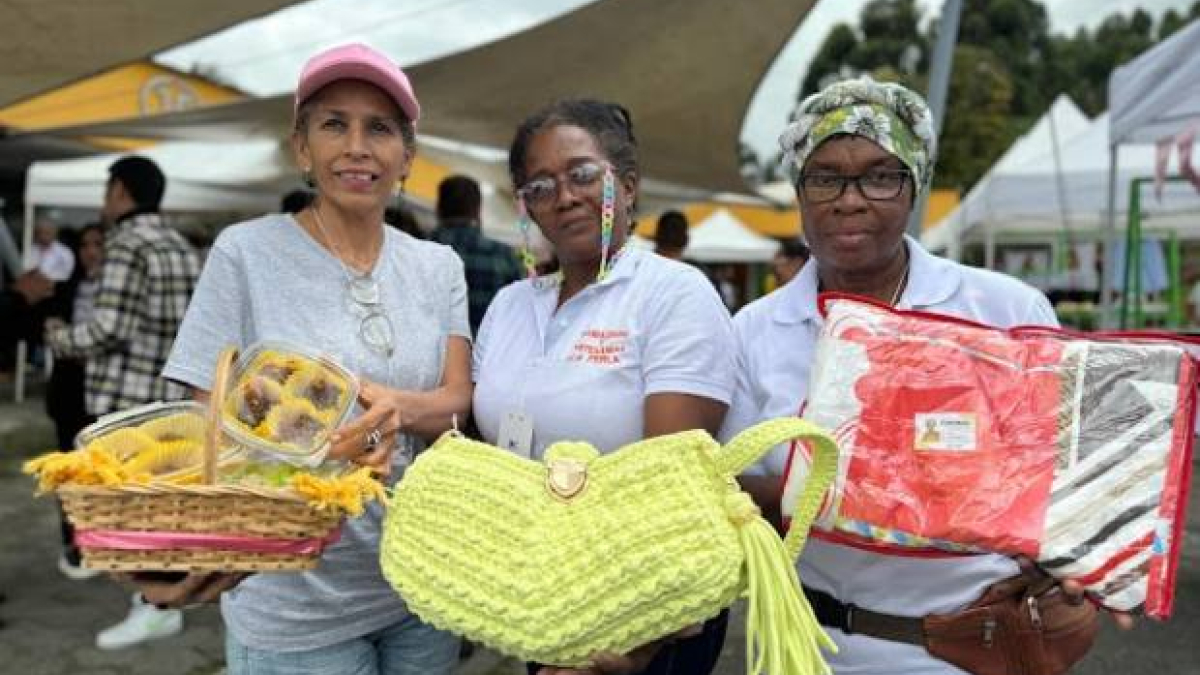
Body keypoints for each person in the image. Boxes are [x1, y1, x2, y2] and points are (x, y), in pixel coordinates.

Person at [721, 77, 1118, 674]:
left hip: (977, 648)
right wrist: (859, 491)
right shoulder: (754, 331)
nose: (849, 199)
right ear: (800, 194)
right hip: (807, 648)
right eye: (825, 177)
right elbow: (728, 490)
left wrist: (1086, 552)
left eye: (881, 176)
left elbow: (1068, 471)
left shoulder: (1004, 311)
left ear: (915, 189)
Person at [142, 43, 470, 675]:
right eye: (333, 124)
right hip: (292, 595)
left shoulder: (438, 267)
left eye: (379, 128)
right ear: (302, 149)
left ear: (407, 157)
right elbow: (205, 413)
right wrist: (309, 463)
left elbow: (459, 399)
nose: (357, 146)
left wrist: (400, 406)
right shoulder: (246, 253)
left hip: (423, 583)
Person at [472, 98, 736, 675]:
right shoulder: (511, 305)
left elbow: (669, 480)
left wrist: (633, 643)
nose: (564, 196)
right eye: (539, 186)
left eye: (584, 175)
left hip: (646, 614)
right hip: (542, 592)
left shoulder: (673, 294)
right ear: (527, 209)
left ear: (630, 184)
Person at [46, 155, 201, 650]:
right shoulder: (179, 244)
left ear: (121, 192)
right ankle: (165, 600)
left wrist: (58, 335)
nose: (103, 200)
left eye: (107, 189)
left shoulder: (128, 243)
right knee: (163, 506)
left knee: (137, 511)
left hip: (128, 400)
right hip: (172, 396)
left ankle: (155, 606)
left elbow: (109, 328)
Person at [42, 223, 106, 580]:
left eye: (98, 243)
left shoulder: (118, 291)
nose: (91, 251)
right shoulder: (67, 289)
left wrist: (68, 341)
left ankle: (104, 542)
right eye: (85, 245)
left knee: (100, 475)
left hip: (103, 398)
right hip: (69, 394)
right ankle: (75, 543)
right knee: (68, 474)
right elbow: (49, 330)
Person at [430, 174, 522, 334]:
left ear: (439, 207)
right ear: (477, 209)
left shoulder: (418, 250)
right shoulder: (503, 256)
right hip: (486, 354)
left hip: (428, 355)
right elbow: (518, 316)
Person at [24, 217, 75, 282]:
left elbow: (66, 274)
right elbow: (24, 269)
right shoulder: (30, 250)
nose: (43, 236)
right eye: (40, 232)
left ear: (54, 233)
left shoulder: (65, 252)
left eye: (47, 233)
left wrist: (45, 276)